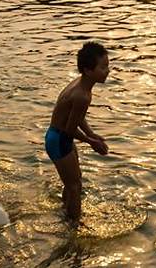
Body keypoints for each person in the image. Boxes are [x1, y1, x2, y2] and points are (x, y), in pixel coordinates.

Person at [45, 41, 109, 222]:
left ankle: (65, 211)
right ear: (88, 70)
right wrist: (91, 142)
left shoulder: (81, 85)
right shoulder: (82, 95)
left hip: (59, 137)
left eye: (108, 66)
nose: (107, 71)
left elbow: (76, 116)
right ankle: (74, 225)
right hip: (58, 139)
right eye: (103, 67)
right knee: (74, 187)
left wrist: (91, 133)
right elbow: (69, 128)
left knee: (75, 181)